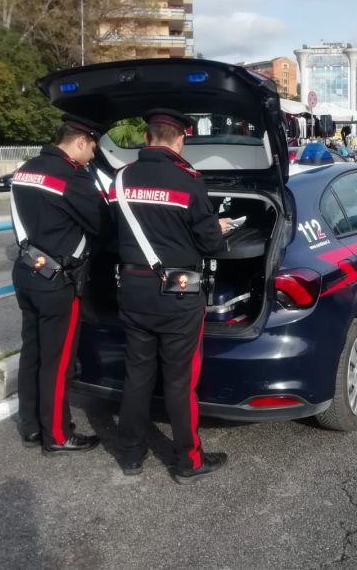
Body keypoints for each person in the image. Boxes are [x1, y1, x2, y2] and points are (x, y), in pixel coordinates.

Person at [113, 108, 232, 483]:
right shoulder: (188, 180)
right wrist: (220, 228)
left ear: (147, 138)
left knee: (137, 376)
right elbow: (211, 244)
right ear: (180, 140)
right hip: (177, 296)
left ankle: (130, 455)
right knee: (180, 383)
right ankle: (189, 461)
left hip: (132, 291)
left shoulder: (120, 179)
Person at [11, 114, 108, 454]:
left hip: (27, 273)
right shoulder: (71, 177)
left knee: (33, 354)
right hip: (58, 282)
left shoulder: (25, 170)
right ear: (80, 141)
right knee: (58, 361)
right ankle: (58, 434)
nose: (93, 156)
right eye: (93, 147)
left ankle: (32, 427)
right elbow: (102, 224)